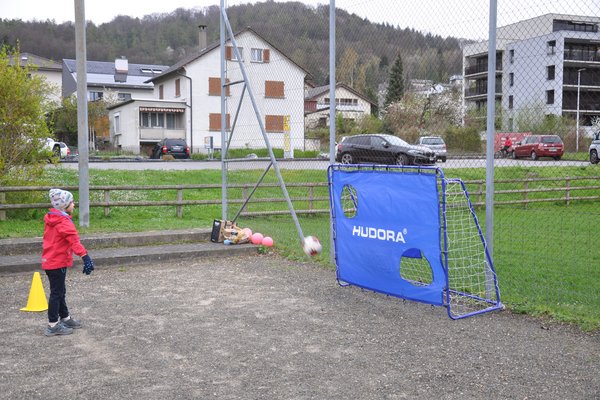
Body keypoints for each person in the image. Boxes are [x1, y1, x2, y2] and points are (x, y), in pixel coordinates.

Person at [41, 188, 95, 336]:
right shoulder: (64, 222)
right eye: (71, 202)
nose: (74, 204)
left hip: (51, 260)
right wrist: (85, 257)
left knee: (60, 291)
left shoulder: (52, 218)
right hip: (57, 262)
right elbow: (74, 242)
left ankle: (65, 317)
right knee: (57, 293)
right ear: (64, 206)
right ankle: (53, 325)